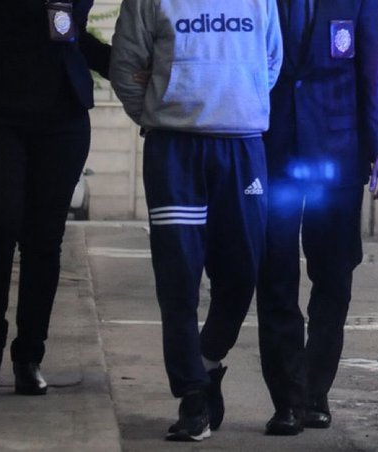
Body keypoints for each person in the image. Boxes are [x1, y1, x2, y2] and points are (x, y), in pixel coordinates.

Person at [109, 0, 282, 442]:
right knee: (178, 279)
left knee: (242, 274)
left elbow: (271, 61)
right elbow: (126, 65)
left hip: (242, 146)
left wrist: (236, 104)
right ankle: (192, 397)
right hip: (174, 150)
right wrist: (161, 114)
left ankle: (206, 361)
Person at [0, 0, 110, 396]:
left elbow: (72, 33)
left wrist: (124, 64)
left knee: (44, 239)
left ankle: (29, 356)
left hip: (63, 119)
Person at [257, 0, 378, 435]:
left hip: (337, 152)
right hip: (272, 149)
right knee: (275, 274)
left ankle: (315, 391)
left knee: (334, 275)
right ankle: (287, 399)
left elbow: (374, 70)